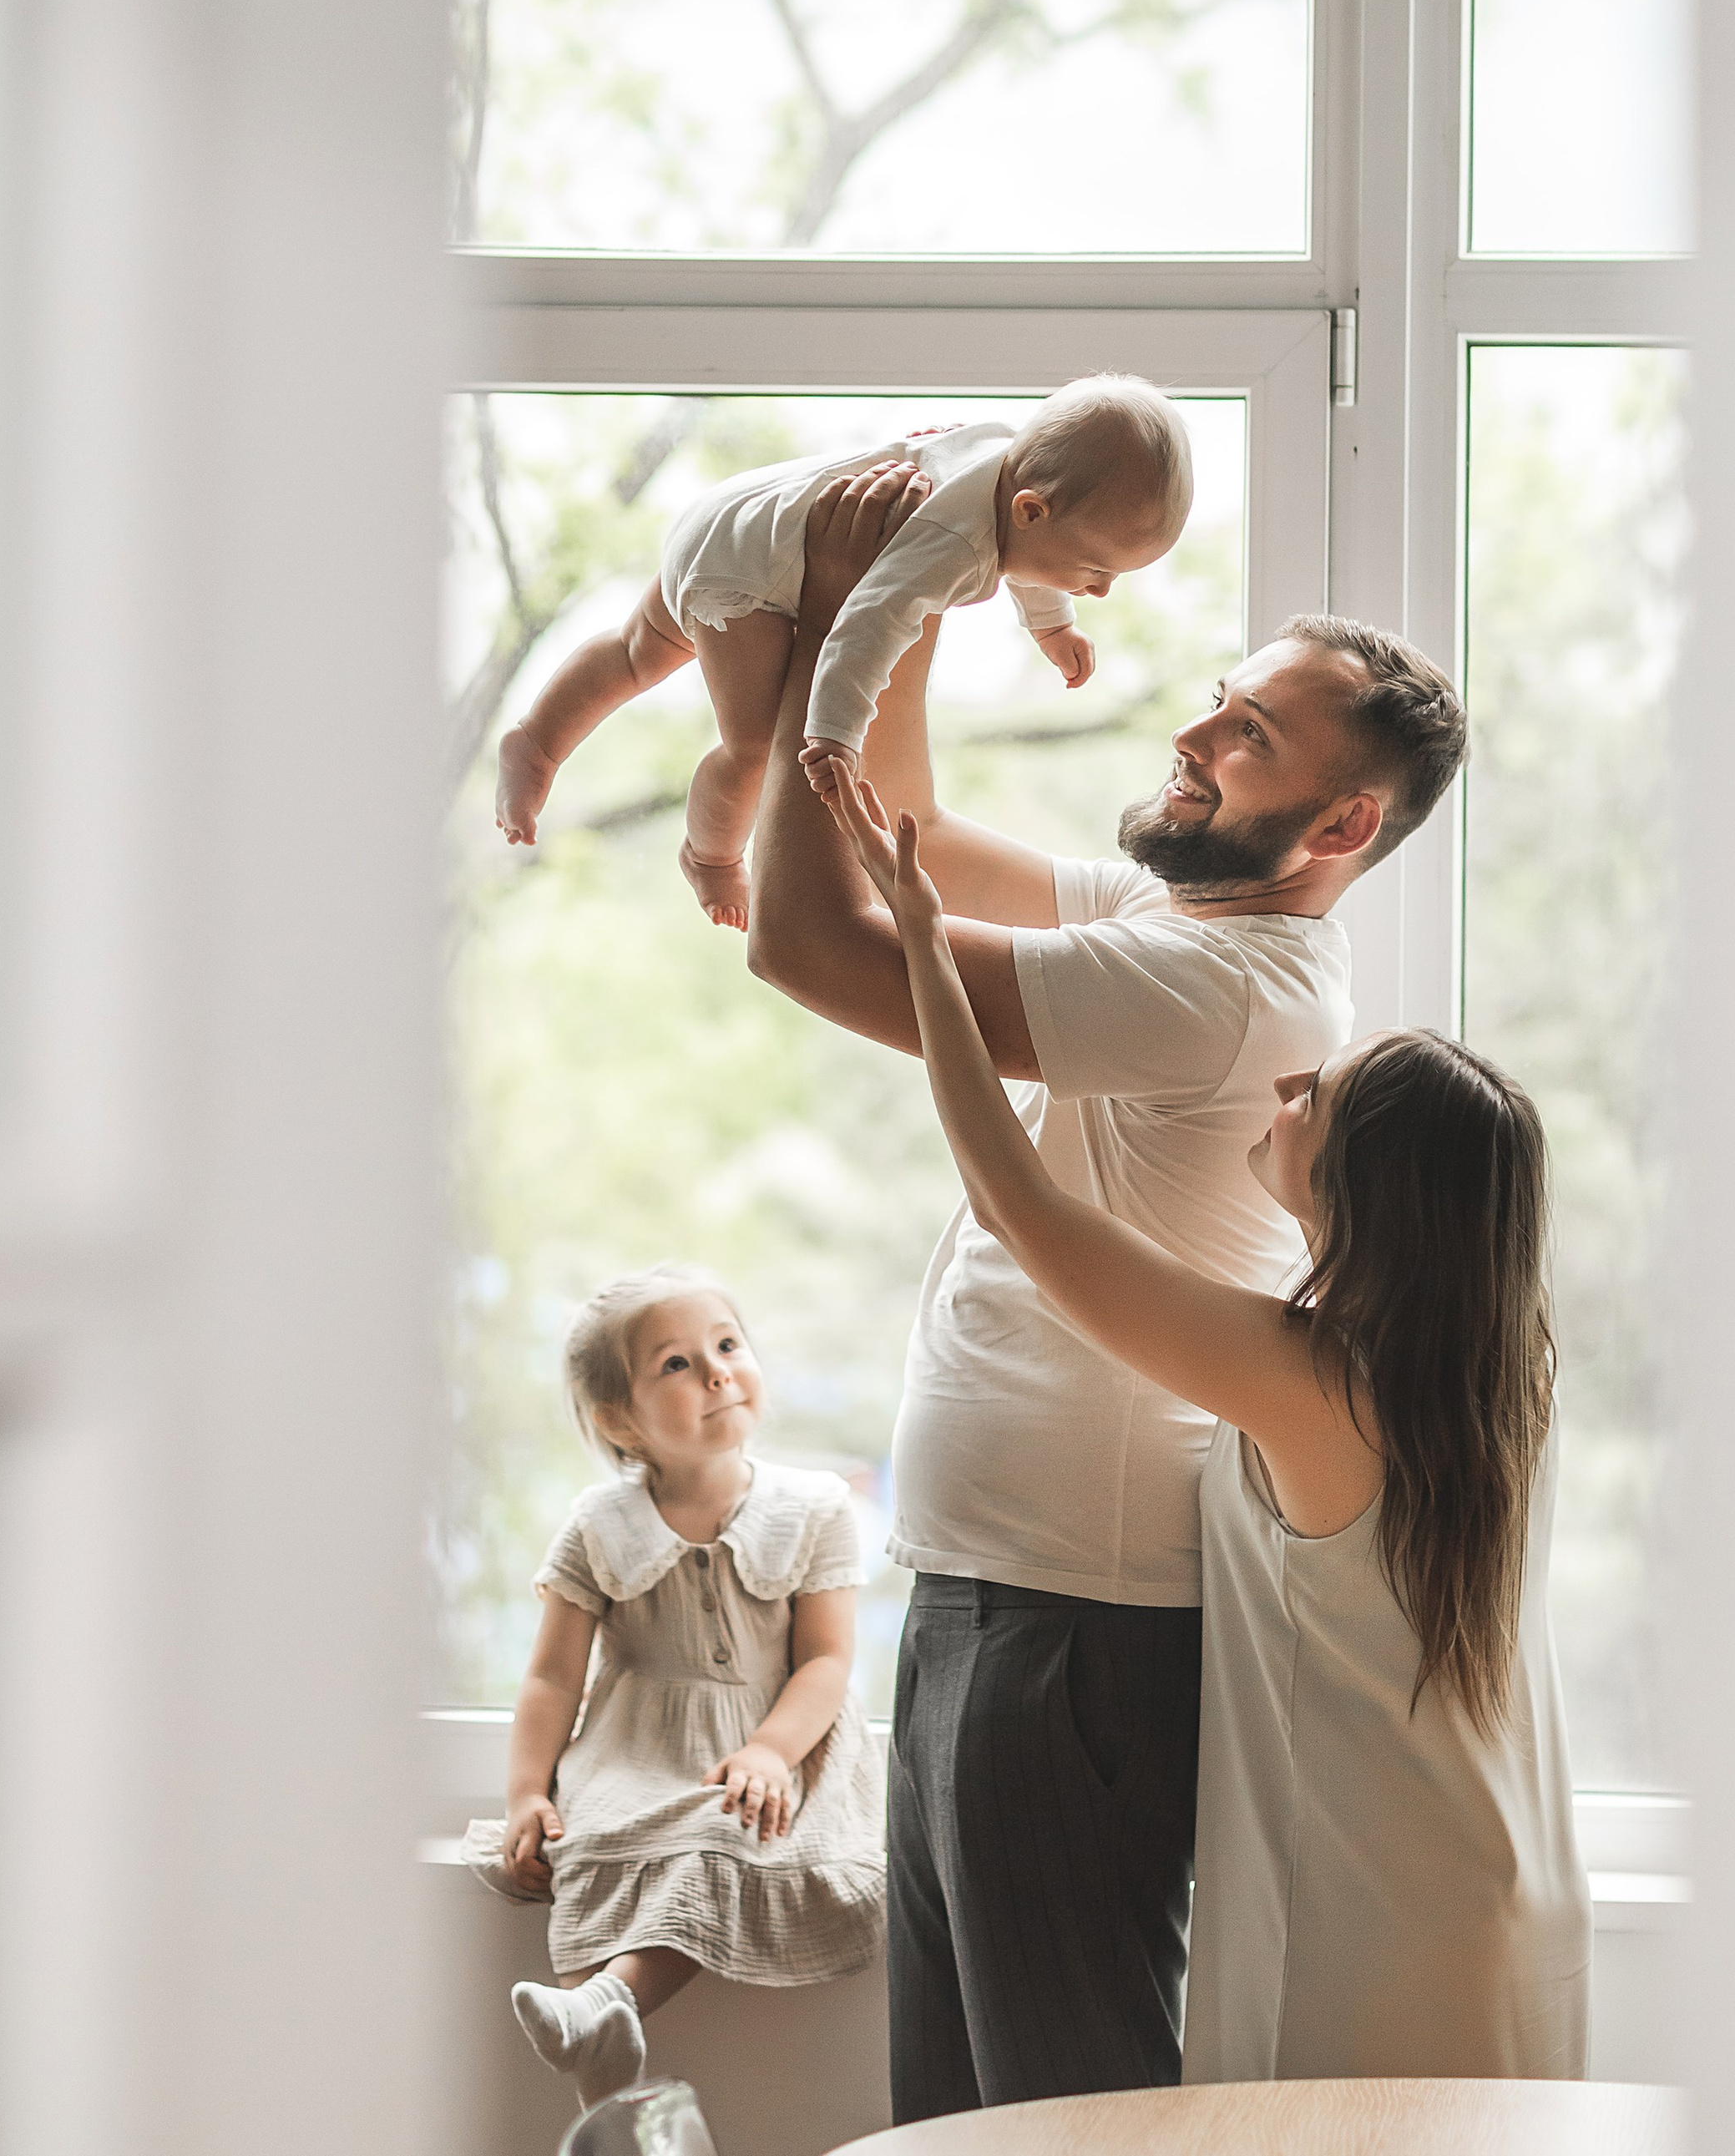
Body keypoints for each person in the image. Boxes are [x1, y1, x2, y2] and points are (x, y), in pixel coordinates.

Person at [745, 467, 1469, 2120]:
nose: (1193, 736)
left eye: (1248, 737)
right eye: (1219, 701)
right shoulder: (1182, 910)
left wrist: (836, 618)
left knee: (1066, 2122)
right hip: (989, 1600)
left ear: (1341, 827)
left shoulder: (1216, 986)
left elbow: (808, 943)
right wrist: (920, 572)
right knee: (959, 2126)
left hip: (1073, 1630)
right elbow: (901, 827)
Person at [819, 768, 1593, 2082]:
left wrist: (927, 949)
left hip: (1388, 1907)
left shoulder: (1317, 1382)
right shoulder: (1490, 1377)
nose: (1282, 1084)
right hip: (1489, 1877)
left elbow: (1023, 1207)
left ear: (1370, 1187)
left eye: (1314, 1095)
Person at [493, 376, 1192, 928]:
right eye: (1096, 569)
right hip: (748, 584)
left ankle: (536, 741)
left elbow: (1033, 554)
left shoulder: (1007, 460)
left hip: (735, 520)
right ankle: (710, 856)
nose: (1102, 588)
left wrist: (1052, 627)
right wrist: (832, 734)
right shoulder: (951, 543)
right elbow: (865, 628)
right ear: (1031, 510)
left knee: (635, 653)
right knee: (757, 747)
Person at [461, 1268, 884, 2109]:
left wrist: (770, 1751)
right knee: (588, 1846)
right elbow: (551, 1676)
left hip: (767, 1746)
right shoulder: (597, 1525)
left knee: (721, 1835)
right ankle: (602, 2052)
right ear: (620, 1420)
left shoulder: (814, 1508)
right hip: (637, 1743)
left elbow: (826, 1661)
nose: (718, 1371)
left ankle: (603, 2010)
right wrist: (525, 1792)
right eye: (677, 1364)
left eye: (727, 1344)